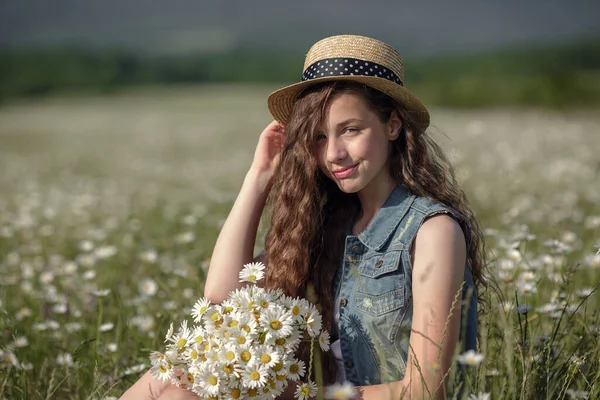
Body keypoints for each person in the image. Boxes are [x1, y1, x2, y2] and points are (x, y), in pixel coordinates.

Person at [120, 34, 486, 400]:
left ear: (392, 125)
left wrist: (302, 395)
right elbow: (222, 295)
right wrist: (259, 176)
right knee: (174, 377)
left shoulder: (432, 231)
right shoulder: (328, 226)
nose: (333, 154)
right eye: (318, 137)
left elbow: (426, 389)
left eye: (350, 130)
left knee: (177, 389)